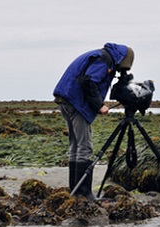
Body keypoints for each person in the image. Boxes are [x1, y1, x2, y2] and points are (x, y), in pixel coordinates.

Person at [53, 42, 134, 200]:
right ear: (125, 59)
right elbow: (89, 82)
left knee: (76, 145)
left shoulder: (101, 56)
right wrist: (99, 106)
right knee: (84, 147)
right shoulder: (103, 60)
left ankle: (76, 191)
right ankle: (84, 193)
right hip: (75, 101)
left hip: (65, 98)